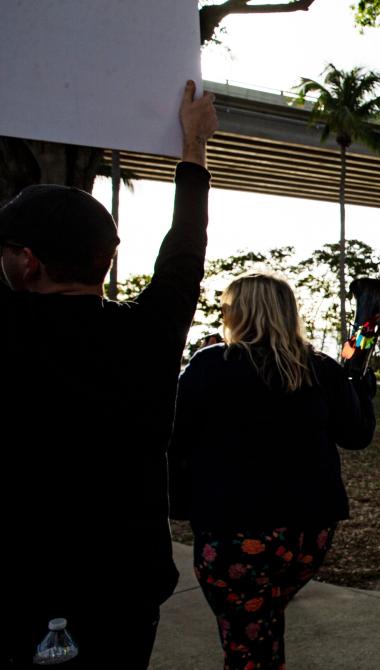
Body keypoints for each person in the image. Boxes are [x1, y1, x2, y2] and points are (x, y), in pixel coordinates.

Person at [0, 80, 217, 669]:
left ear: (27, 262)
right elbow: (185, 249)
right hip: (125, 587)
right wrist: (193, 146)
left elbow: (184, 252)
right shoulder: (149, 334)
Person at [168, 272, 376, 670]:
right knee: (264, 619)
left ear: (240, 313)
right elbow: (357, 435)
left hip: (235, 533)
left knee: (246, 645)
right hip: (307, 532)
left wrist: (182, 503)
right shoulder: (321, 368)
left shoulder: (209, 366)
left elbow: (173, 441)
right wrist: (361, 388)